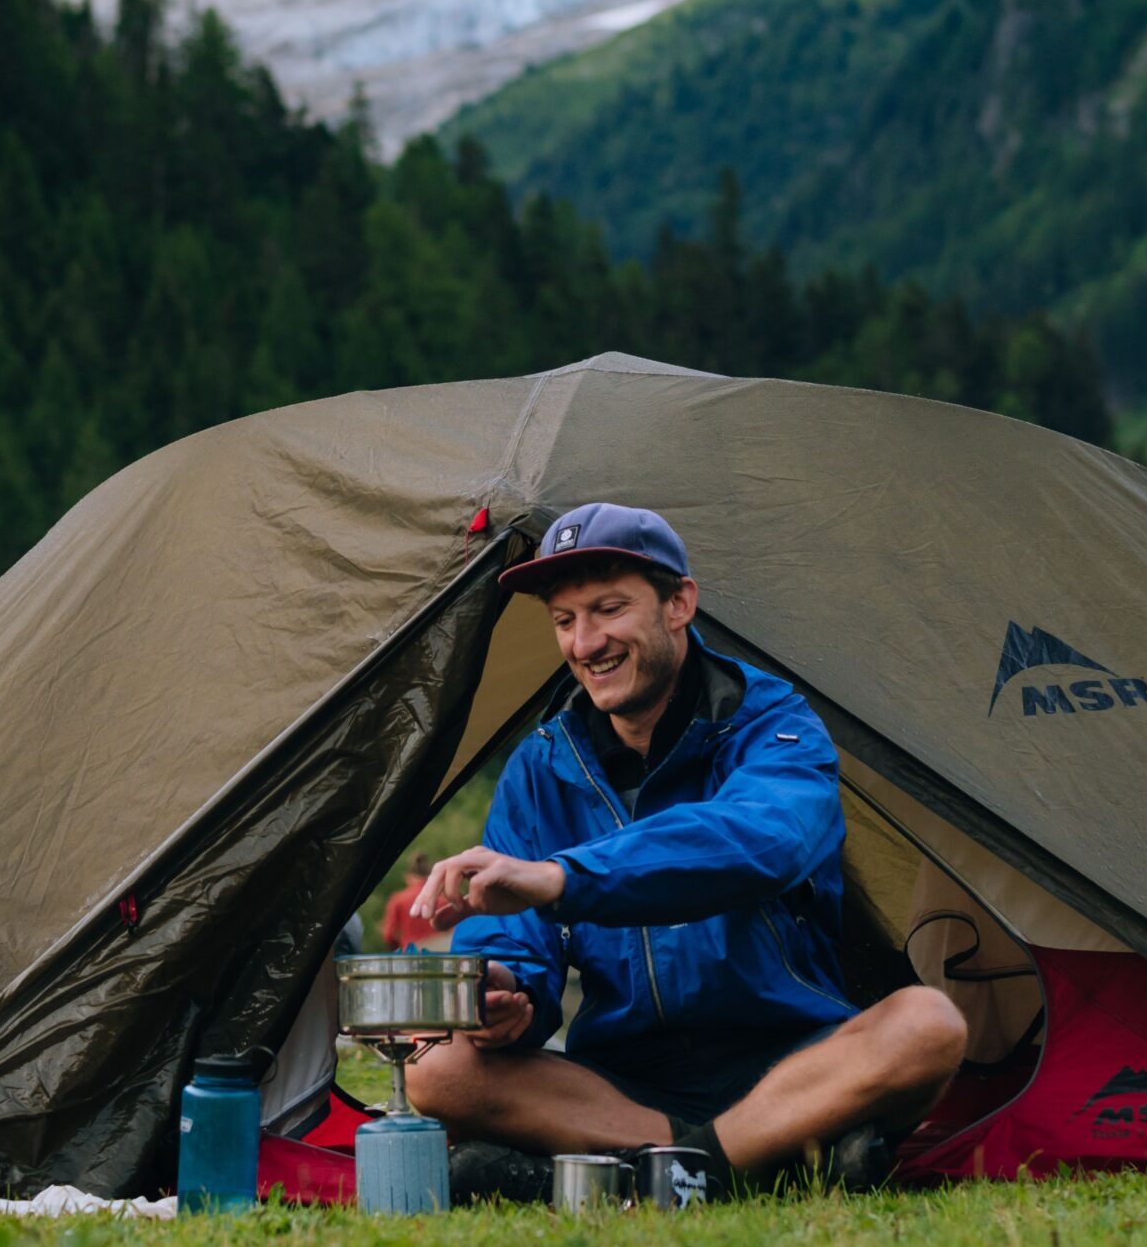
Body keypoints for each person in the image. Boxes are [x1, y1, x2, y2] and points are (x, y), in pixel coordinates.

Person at [405, 503, 966, 1198]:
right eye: (564, 620)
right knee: (438, 1068)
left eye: (608, 609)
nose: (585, 644)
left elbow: (763, 840)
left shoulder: (774, 723)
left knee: (927, 1025)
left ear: (679, 604)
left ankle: (656, 1173)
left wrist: (562, 876)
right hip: (625, 1080)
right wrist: (509, 992)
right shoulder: (541, 768)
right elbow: (512, 934)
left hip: (795, 1059)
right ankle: (742, 1161)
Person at [380, 855, 441, 951]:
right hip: (439, 956)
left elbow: (389, 934)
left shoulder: (398, 899)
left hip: (410, 956)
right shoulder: (444, 899)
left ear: (408, 876)